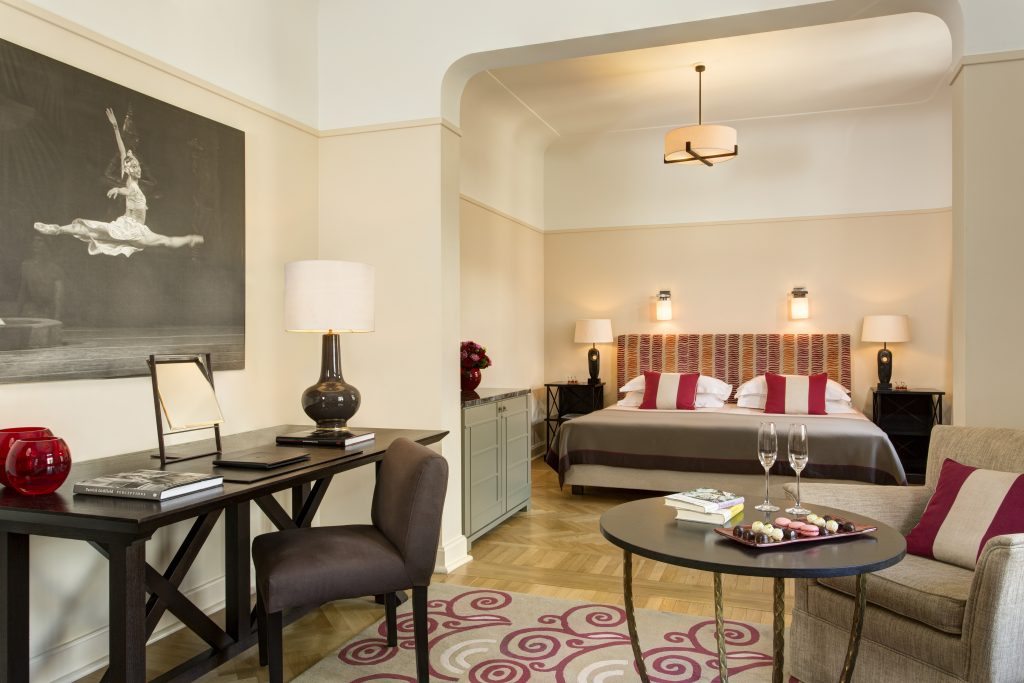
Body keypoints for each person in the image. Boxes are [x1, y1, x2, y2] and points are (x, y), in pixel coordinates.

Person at [33, 108, 205, 258]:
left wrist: (115, 126)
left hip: (137, 231)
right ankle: (57, 229)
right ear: (128, 170)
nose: (138, 168)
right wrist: (118, 189)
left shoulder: (135, 182)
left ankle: (191, 239)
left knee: (165, 241)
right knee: (90, 229)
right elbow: (128, 190)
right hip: (128, 229)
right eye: (134, 166)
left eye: (137, 165)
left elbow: (122, 151)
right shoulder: (131, 184)